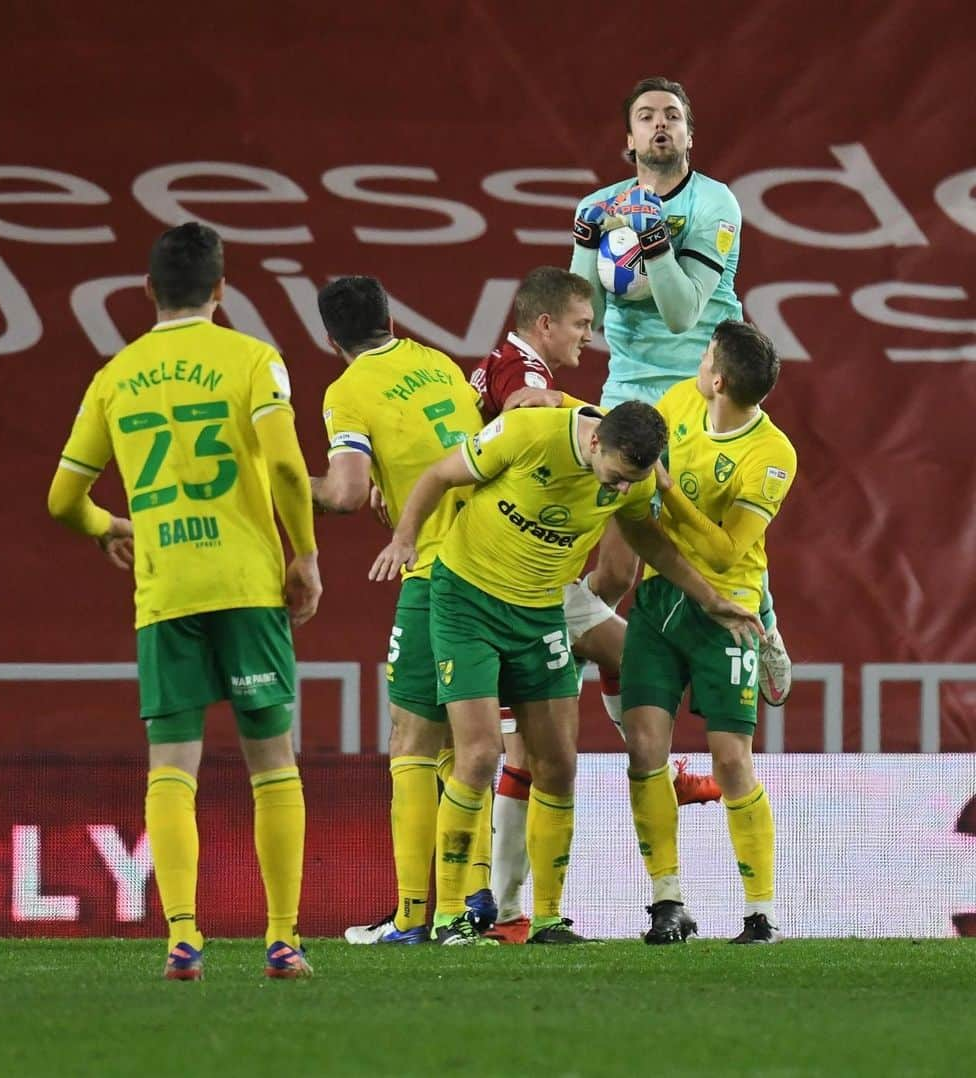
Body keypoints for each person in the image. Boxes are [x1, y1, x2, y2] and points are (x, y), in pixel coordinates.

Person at [370, 401, 761, 945]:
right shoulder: (530, 435)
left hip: (540, 612)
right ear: (596, 442)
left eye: (635, 481)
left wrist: (711, 598)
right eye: (618, 477)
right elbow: (439, 474)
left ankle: (548, 919)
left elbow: (648, 538)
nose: (622, 490)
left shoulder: (634, 477)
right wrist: (404, 538)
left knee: (557, 764)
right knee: (480, 754)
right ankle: (450, 915)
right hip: (467, 602)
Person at [47, 222, 320, 981]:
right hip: (246, 587)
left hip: (165, 590)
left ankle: (182, 935)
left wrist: (107, 527)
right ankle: (283, 937)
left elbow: (63, 496)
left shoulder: (115, 376)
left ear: (147, 293)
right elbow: (291, 472)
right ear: (221, 290)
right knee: (271, 763)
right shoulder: (252, 360)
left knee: (172, 765)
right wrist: (305, 556)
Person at [469, 267, 720, 944]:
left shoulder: (527, 373)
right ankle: (488, 908)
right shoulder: (522, 368)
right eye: (583, 324)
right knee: (509, 753)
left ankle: (507, 907)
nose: (590, 336)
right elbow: (522, 403)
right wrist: (593, 421)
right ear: (546, 324)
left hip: (548, 582)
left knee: (624, 655)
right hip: (502, 582)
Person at [570, 75, 792, 708]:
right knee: (615, 565)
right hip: (630, 391)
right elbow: (584, 309)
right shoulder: (602, 203)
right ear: (630, 138)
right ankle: (595, 675)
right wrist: (588, 242)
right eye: (646, 116)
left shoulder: (715, 204)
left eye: (672, 115)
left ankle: (764, 626)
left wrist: (654, 242)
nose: (659, 124)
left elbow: (679, 313)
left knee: (719, 532)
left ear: (690, 134)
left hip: (706, 385)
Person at [310, 275, 491, 944]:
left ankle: (416, 915)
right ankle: (471, 901)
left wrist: (275, 486)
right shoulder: (435, 360)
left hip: (438, 569)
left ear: (331, 340)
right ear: (392, 317)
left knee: (411, 740)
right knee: (464, 744)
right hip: (494, 565)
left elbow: (347, 492)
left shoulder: (347, 390)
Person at [621, 320, 796, 944]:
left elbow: (725, 553)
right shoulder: (677, 403)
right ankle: (667, 901)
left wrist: (670, 493)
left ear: (717, 378)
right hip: (662, 599)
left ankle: (760, 913)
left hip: (730, 609)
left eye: (705, 357)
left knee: (730, 759)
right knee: (644, 750)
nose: (697, 363)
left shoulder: (772, 455)